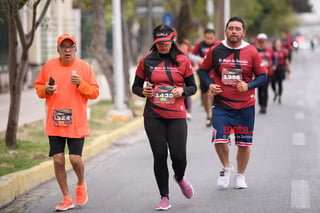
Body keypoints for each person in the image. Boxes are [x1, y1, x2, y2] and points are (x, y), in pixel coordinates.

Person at [132, 24, 196, 211]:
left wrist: (182, 90)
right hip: (154, 114)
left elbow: (193, 87)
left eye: (166, 42)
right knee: (159, 155)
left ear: (172, 40)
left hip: (177, 114)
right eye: (159, 43)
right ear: (155, 42)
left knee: (179, 157)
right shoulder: (147, 61)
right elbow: (135, 87)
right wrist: (144, 91)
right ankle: (164, 197)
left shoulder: (183, 60)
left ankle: (180, 177)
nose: (162, 46)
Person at [199, 17, 267, 189]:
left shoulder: (252, 51)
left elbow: (263, 76)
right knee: (219, 139)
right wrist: (209, 85)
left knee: (243, 143)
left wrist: (249, 85)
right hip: (222, 104)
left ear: (243, 32)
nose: (234, 31)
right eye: (231, 28)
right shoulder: (216, 50)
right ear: (226, 31)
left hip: (245, 106)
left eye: (237, 29)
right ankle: (226, 167)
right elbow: (203, 70)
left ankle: (240, 176)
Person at [34, 34, 99, 211]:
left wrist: (81, 84)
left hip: (76, 121)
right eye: (64, 47)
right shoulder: (49, 66)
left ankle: (80, 184)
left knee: (75, 159)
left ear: (75, 49)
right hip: (55, 120)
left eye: (71, 47)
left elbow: (94, 93)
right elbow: (39, 88)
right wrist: (45, 89)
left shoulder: (84, 67)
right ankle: (66, 198)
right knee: (58, 159)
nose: (67, 50)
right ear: (58, 50)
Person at [190, 28, 220, 127]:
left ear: (214, 37)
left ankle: (214, 114)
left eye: (211, 38)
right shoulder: (200, 45)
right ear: (204, 37)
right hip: (203, 72)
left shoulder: (219, 44)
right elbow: (190, 55)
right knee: (205, 95)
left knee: (211, 94)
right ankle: (208, 115)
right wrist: (199, 59)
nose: (209, 40)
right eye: (207, 38)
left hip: (214, 72)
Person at [255, 33, 277, 114]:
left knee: (265, 89)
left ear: (266, 42)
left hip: (268, 73)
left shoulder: (270, 50)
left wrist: (274, 65)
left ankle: (264, 106)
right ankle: (261, 104)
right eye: (260, 42)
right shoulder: (255, 50)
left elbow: (275, 59)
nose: (262, 43)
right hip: (258, 74)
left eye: (263, 42)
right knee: (260, 90)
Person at [271, 38, 291, 104]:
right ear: (274, 44)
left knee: (280, 83)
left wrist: (288, 68)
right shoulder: (272, 51)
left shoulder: (283, 51)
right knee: (272, 83)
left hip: (281, 69)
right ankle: (275, 92)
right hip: (273, 69)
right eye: (276, 42)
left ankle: (279, 96)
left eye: (279, 42)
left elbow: (286, 60)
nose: (277, 44)